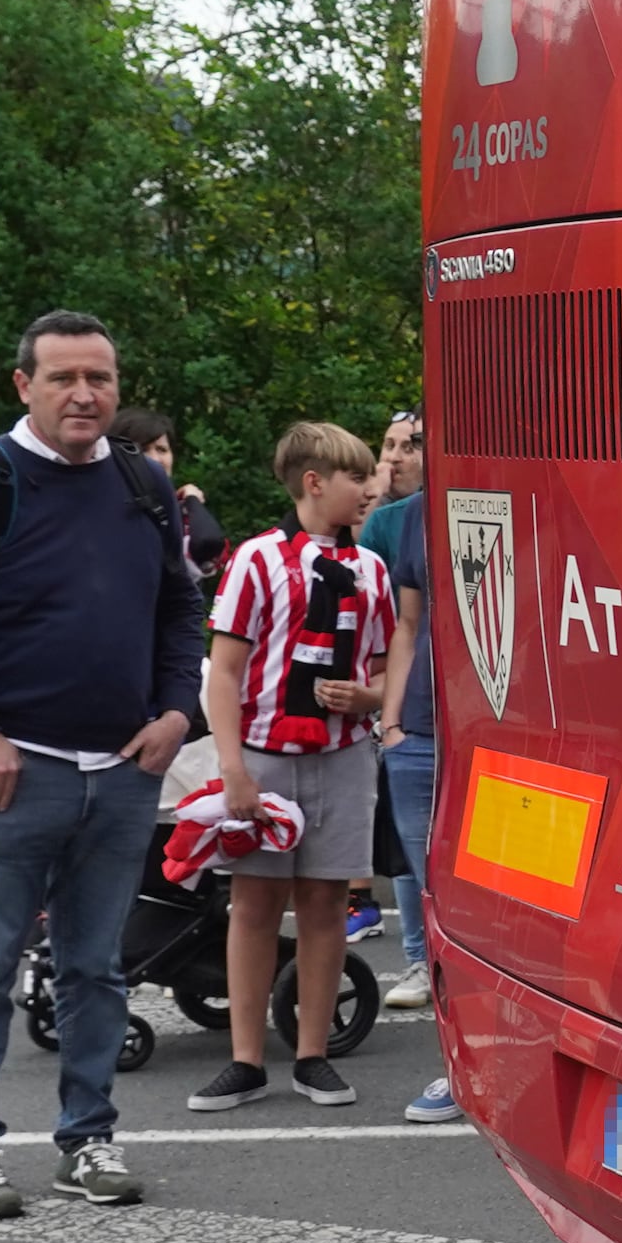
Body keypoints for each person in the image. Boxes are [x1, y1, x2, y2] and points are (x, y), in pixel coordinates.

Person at [0, 313, 203, 1218]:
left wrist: (178, 710)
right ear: (24, 385)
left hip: (123, 769)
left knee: (97, 969)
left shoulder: (143, 484)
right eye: (62, 378)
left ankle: (87, 1140)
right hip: (12, 772)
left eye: (99, 377)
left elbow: (180, 609)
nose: (84, 394)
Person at [187, 421, 397, 1112]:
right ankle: (246, 1059)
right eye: (354, 477)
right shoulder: (255, 559)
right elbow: (224, 671)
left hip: (342, 756)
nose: (368, 489)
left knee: (327, 903)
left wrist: (368, 697)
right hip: (264, 754)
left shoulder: (371, 570)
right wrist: (232, 766)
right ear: (313, 482)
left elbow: (383, 664)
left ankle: (314, 1053)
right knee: (251, 904)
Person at [355, 411, 455, 1119]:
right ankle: (457, 1067)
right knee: (435, 903)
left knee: (486, 914)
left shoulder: (510, 498)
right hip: (417, 733)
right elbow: (408, 624)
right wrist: (391, 722)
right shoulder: (412, 517)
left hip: (494, 738)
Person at [124, 410, 234, 584]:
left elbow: (208, 549)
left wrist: (192, 502)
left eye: (161, 450)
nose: (155, 459)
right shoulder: (104, 507)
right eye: (143, 449)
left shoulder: (177, 513)